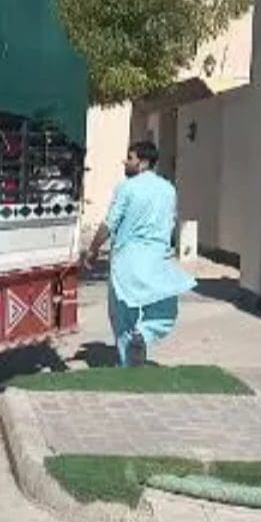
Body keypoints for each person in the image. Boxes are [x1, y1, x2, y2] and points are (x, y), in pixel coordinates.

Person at [83, 139, 196, 367]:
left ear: (143, 163)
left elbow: (110, 223)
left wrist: (93, 250)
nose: (125, 162)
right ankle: (143, 334)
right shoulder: (168, 189)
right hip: (156, 259)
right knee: (165, 310)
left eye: (130, 158)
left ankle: (129, 358)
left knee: (122, 316)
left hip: (126, 260)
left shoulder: (126, 188)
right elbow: (170, 223)